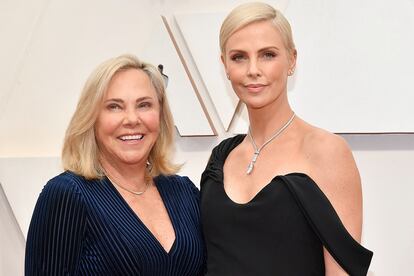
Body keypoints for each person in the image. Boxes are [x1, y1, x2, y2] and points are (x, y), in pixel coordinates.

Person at [200, 2, 373, 276]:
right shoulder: (221, 158)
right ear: (224, 64)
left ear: (291, 60)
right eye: (239, 57)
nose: (253, 70)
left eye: (268, 55)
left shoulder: (326, 151)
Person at [25, 54, 205, 275]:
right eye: (114, 107)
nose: (131, 119)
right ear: (92, 118)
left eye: (144, 105)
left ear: (160, 115)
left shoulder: (184, 192)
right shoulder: (68, 194)